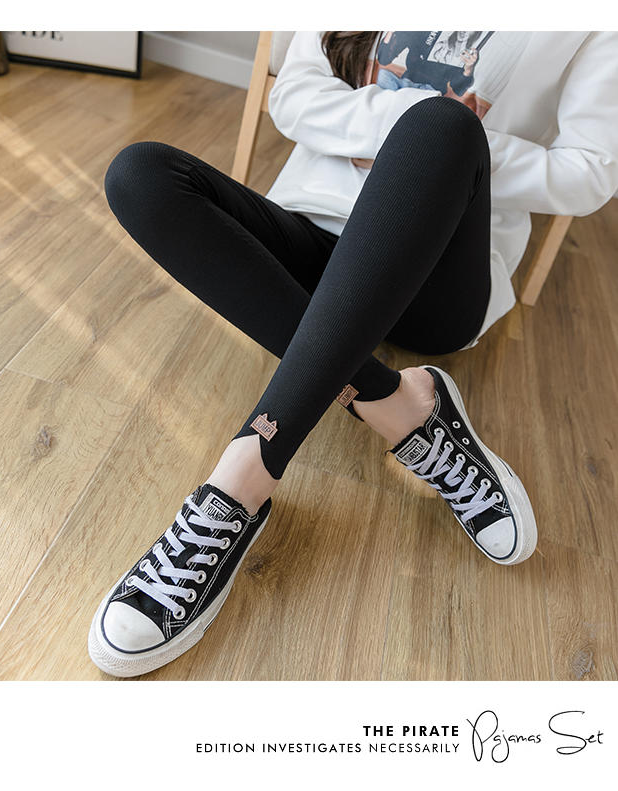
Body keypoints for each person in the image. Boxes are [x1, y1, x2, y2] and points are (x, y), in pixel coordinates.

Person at [87, 31, 618, 678]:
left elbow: (590, 172)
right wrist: (400, 129)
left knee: (444, 126)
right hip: (310, 235)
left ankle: (239, 483)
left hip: (435, 279)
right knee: (140, 175)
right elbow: (294, 96)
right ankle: (399, 406)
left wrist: (421, 147)